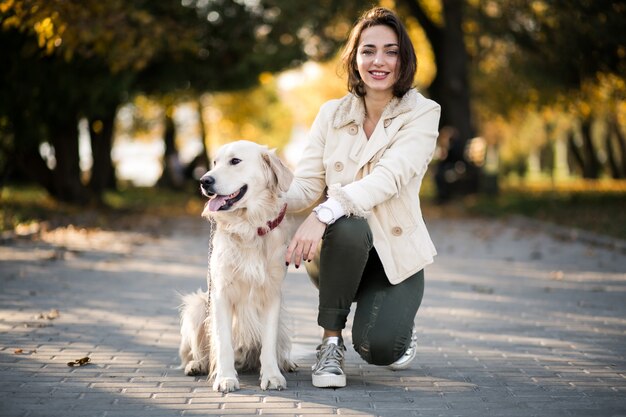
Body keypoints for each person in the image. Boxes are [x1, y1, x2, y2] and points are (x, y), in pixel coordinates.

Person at [284, 6, 441, 388]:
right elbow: (304, 186)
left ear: (404, 59)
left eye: (391, 51)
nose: (379, 61)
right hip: (340, 250)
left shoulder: (423, 113)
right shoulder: (331, 114)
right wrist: (248, 196)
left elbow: (388, 179)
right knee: (348, 227)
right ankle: (330, 345)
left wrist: (322, 212)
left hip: (395, 255)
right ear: (355, 59)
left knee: (380, 349)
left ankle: (396, 320)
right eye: (368, 50)